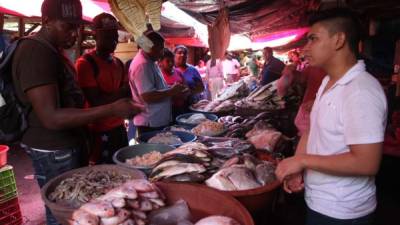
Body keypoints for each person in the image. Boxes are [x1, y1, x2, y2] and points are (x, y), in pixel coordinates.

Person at [11, 0, 142, 224]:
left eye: (77, 26)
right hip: (53, 151)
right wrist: (112, 108)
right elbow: (51, 117)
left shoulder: (53, 52)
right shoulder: (36, 52)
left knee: (80, 212)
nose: (74, 33)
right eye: (67, 26)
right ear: (46, 22)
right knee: (65, 214)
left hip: (67, 146)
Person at [275, 8, 387, 225]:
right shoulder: (329, 81)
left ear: (338, 40)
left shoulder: (360, 91)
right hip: (321, 202)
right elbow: (312, 129)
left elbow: (367, 162)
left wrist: (302, 161)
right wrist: (299, 169)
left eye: (313, 39)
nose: (305, 48)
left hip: (342, 211)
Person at [76, 13, 130, 164]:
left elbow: (126, 92)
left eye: (115, 35)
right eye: (108, 36)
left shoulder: (118, 63)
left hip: (119, 128)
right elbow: (95, 101)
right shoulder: (85, 64)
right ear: (95, 36)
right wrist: (121, 93)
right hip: (97, 131)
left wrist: (119, 95)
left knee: (123, 167)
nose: (114, 40)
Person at [129, 30, 188, 135]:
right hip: (150, 123)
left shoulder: (150, 61)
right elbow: (147, 96)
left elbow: (155, 88)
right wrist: (172, 91)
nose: (162, 52)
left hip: (156, 121)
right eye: (160, 48)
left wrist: (172, 89)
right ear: (148, 46)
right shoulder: (142, 65)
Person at [159, 48, 188, 118]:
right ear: (160, 62)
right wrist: (174, 92)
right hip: (166, 110)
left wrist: (185, 92)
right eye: (167, 61)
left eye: (172, 61)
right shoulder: (159, 75)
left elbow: (186, 87)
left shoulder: (178, 72)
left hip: (181, 108)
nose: (171, 63)